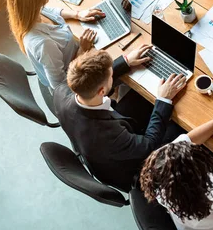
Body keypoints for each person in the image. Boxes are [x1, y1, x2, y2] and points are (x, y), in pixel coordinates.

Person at [55, 48, 187, 191]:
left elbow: (88, 80)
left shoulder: (61, 92)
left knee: (140, 97)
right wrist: (163, 99)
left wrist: (126, 62)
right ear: (102, 91)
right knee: (179, 127)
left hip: (101, 140)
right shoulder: (107, 134)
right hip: (131, 167)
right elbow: (148, 145)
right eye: (111, 75)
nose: (112, 74)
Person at [6, 0, 105, 92]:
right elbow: (61, 85)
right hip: (78, 77)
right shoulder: (44, 44)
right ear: (34, 0)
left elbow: (53, 11)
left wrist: (77, 14)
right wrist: (82, 50)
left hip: (76, 56)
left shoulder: (31, 13)